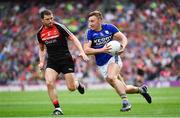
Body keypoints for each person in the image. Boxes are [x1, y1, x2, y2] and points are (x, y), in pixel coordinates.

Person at [83, 10, 152, 112]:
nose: (90, 24)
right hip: (101, 65)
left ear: (99, 20)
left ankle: (126, 103)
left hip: (113, 58)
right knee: (123, 88)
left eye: (92, 21)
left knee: (112, 77)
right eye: (89, 21)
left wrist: (123, 46)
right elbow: (86, 50)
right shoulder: (89, 33)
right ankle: (141, 90)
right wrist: (102, 50)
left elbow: (123, 37)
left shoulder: (110, 28)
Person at [36, 9, 89, 115]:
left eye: (51, 18)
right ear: (42, 20)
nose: (51, 21)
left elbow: (73, 38)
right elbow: (42, 49)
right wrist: (41, 62)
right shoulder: (40, 33)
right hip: (52, 61)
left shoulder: (59, 27)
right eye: (47, 19)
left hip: (65, 59)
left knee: (71, 88)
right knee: (49, 83)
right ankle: (57, 108)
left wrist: (82, 52)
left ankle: (77, 84)